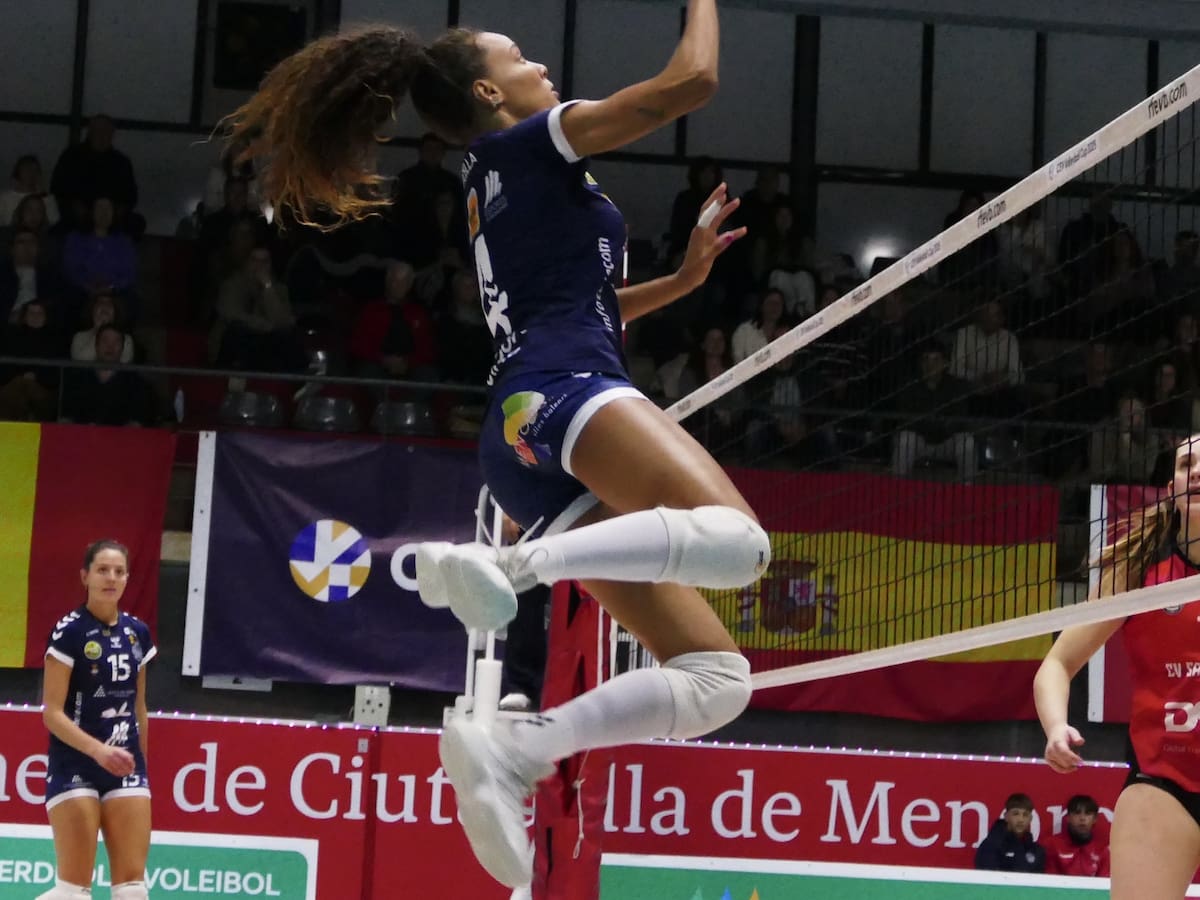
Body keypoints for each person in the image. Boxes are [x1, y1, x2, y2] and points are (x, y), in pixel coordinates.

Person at [224, 6, 769, 889]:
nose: (541, 66)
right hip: (567, 391)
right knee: (740, 544)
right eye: (520, 57)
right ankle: (510, 568)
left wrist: (683, 280)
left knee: (717, 679)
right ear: (487, 90)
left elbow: (584, 303)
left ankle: (518, 747)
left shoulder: (491, 179)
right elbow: (690, 84)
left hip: (520, 423)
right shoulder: (532, 142)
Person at [1035, 430, 1200, 900]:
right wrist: (1055, 726)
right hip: (1164, 786)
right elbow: (1057, 663)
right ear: (1170, 488)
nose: (1197, 473)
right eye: (1186, 465)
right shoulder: (1138, 572)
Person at [39, 539, 155, 900]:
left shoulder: (137, 632)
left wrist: (141, 764)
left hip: (125, 764)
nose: (111, 578)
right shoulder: (70, 631)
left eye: (119, 572)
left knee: (133, 890)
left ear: (127, 579)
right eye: (103, 570)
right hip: (76, 762)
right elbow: (51, 713)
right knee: (73, 892)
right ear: (85, 576)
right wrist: (98, 751)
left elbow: (139, 707)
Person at [974, 792, 1046, 873]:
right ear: (1006, 816)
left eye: (1025, 815)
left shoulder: (1037, 851)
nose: (1020, 820)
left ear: (1030, 819)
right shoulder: (991, 846)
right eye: (1015, 814)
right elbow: (986, 878)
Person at [1043, 794, 1110, 877]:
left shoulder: (1103, 851)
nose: (1082, 818)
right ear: (1068, 817)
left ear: (1095, 819)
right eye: (1077, 813)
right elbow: (1049, 881)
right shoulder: (1052, 845)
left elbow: (1104, 883)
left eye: (1088, 813)